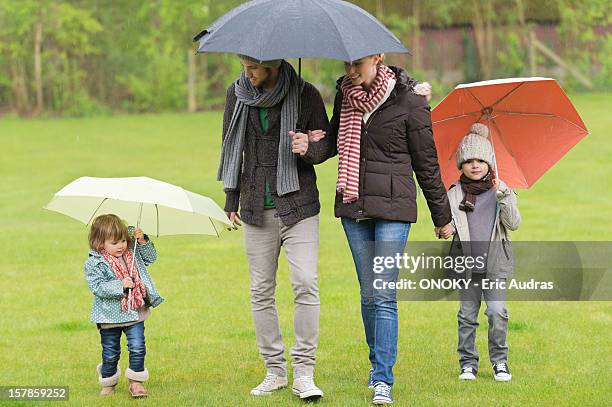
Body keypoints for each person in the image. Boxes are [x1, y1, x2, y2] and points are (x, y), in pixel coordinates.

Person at [303, 54, 452, 404]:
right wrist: (308, 147)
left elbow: (426, 163)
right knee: (368, 292)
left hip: (394, 208)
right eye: (346, 67)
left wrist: (441, 216)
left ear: (378, 58)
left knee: (383, 292)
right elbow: (333, 144)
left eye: (358, 65)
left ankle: (383, 378)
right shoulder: (345, 95)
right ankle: (376, 364)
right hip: (353, 205)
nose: (351, 73)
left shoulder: (411, 100)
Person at [218, 55, 330, 400]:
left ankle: (305, 373)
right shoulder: (236, 95)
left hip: (299, 206)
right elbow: (230, 146)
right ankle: (275, 370)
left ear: (273, 66)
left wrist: (308, 147)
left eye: (252, 68)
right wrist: (231, 198)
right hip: (255, 206)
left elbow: (328, 145)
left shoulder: (305, 94)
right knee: (261, 291)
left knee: (306, 284)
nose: (246, 73)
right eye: (244, 66)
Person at [440, 123, 521, 382]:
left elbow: (513, 223)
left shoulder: (501, 190)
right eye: (469, 161)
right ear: (461, 165)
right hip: (467, 265)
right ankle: (467, 363)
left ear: (490, 162)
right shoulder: (454, 193)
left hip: (495, 264)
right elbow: (451, 226)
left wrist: (504, 195)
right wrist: (443, 229)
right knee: (466, 315)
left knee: (497, 312)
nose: (475, 165)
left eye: (481, 160)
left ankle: (500, 361)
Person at [84, 214, 164, 398]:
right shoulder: (94, 262)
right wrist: (121, 284)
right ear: (100, 243)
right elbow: (97, 286)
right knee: (111, 352)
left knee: (137, 347)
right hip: (109, 315)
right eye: (114, 243)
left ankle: (136, 382)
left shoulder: (132, 252)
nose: (120, 245)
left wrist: (142, 240)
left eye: (122, 240)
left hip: (135, 311)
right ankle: (108, 382)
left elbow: (151, 258)